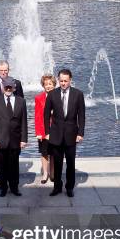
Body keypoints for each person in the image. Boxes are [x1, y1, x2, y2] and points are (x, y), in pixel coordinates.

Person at [44, 68, 85, 198]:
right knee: (57, 163)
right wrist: (47, 132)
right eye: (61, 81)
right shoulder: (52, 94)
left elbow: (82, 116)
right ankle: (57, 187)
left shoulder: (78, 94)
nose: (63, 83)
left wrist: (80, 133)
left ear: (70, 80)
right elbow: (46, 115)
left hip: (71, 135)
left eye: (65, 81)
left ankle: (69, 187)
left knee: (71, 163)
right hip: (55, 135)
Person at [0, 60, 24, 181]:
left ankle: (11, 174)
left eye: (5, 70)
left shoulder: (16, 83)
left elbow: (20, 102)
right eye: (1, 70)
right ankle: (0, 174)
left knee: (13, 150)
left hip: (13, 124)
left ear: (8, 70)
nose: (3, 72)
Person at [0, 77, 28, 197]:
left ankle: (14, 187)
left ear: (14, 88)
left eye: (10, 87)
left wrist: (23, 139)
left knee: (14, 165)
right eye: (5, 86)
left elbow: (24, 122)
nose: (7, 88)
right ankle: (3, 188)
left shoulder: (21, 101)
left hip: (15, 139)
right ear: (2, 88)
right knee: (1, 166)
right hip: (0, 139)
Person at [34, 74, 56, 184]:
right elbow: (37, 116)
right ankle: (45, 174)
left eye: (50, 84)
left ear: (54, 85)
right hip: (43, 131)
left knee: (54, 153)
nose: (48, 86)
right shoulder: (39, 98)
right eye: (46, 84)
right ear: (43, 85)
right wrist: (38, 132)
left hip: (56, 130)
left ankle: (52, 173)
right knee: (44, 153)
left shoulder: (59, 96)